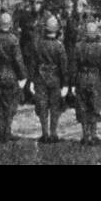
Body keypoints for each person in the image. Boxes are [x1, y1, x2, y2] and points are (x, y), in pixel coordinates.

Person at [0, 11, 26, 143]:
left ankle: (1, 131)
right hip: (10, 74)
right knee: (10, 104)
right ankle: (7, 131)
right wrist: (22, 76)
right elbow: (18, 60)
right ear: (10, 24)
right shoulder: (13, 39)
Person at [32, 15, 67, 144]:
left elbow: (34, 63)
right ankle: (54, 133)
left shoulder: (38, 44)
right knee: (55, 107)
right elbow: (64, 67)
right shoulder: (59, 46)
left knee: (42, 106)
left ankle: (44, 133)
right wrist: (65, 84)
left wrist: (32, 80)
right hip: (55, 78)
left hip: (41, 78)